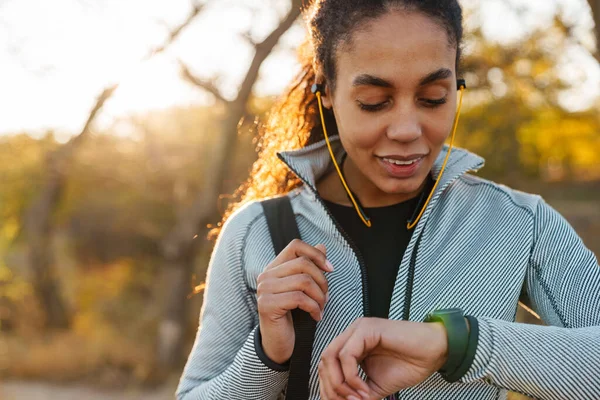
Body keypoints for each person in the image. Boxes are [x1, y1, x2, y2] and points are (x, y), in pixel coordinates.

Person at [176, 1, 600, 399]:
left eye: (433, 97)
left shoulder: (520, 222)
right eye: (374, 103)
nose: (406, 130)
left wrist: (460, 343)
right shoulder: (255, 232)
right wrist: (268, 356)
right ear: (326, 90)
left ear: (457, 85)